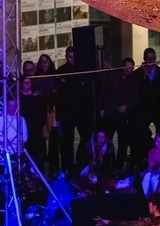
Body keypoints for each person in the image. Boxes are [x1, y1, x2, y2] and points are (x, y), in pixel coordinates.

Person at [56, 46, 94, 177]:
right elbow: (59, 95)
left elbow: (86, 92)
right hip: (67, 113)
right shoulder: (61, 71)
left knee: (86, 136)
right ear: (66, 57)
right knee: (67, 142)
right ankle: (69, 167)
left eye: (74, 57)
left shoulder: (82, 71)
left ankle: (79, 161)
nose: (72, 59)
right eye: (70, 57)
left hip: (81, 112)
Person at [99, 57, 138, 171]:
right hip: (110, 114)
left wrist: (126, 106)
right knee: (107, 141)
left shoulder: (133, 81)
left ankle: (120, 165)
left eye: (130, 67)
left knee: (123, 142)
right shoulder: (112, 77)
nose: (127, 69)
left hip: (123, 116)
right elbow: (102, 92)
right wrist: (101, 108)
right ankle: (106, 165)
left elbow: (135, 98)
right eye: (126, 66)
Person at [19, 75, 45, 163]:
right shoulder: (18, 96)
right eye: (25, 82)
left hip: (35, 128)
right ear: (22, 84)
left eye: (29, 82)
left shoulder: (37, 96)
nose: (27, 85)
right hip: (22, 127)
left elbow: (41, 112)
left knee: (36, 151)